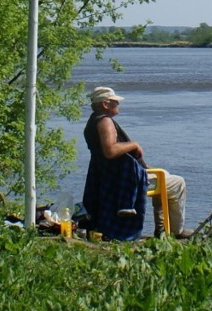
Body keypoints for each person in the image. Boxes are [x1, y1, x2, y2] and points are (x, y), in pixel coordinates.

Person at [82, 86, 192, 240]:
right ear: (105, 104)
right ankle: (175, 231)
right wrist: (134, 145)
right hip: (122, 179)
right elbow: (110, 150)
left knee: (165, 176)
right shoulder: (105, 121)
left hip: (109, 175)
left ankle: (162, 229)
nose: (118, 105)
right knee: (178, 183)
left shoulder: (93, 121)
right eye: (115, 102)